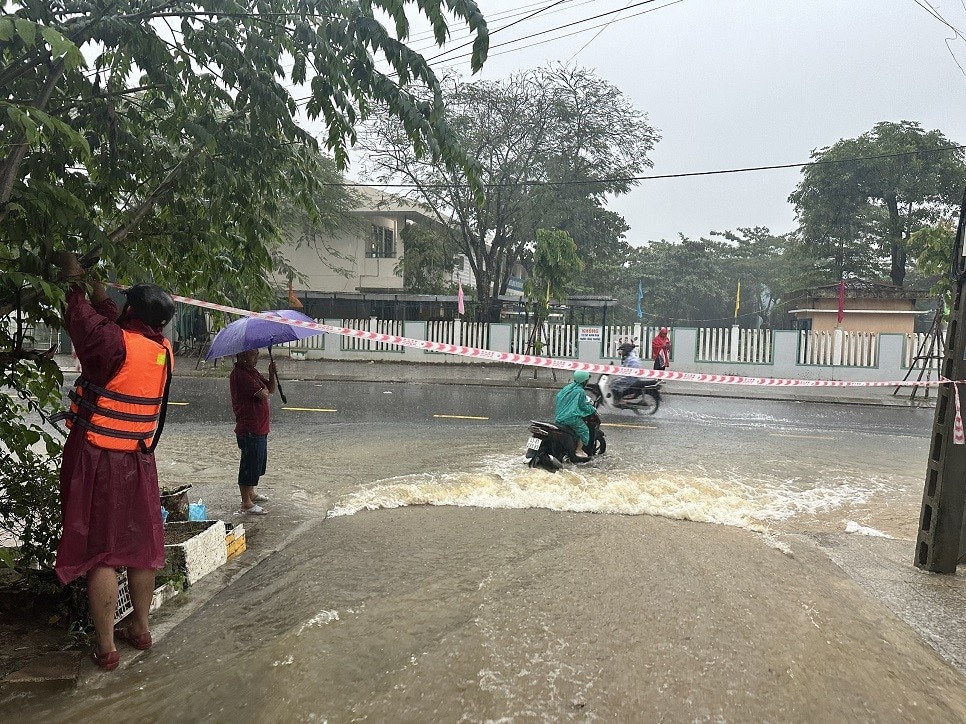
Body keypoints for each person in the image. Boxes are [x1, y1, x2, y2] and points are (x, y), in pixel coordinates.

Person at [53, 253, 175, 672]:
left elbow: (84, 321)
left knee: (101, 552)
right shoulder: (161, 350)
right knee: (140, 547)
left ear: (130, 312)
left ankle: (106, 649)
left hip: (99, 459)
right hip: (139, 460)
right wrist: (101, 290)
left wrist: (73, 280)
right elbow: (107, 324)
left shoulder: (112, 343)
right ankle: (140, 628)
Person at [230, 348, 277, 515]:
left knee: (257, 463)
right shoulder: (240, 375)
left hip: (260, 427)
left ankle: (251, 493)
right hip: (249, 428)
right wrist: (265, 389)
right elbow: (263, 394)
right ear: (241, 355)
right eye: (252, 355)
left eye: (257, 354)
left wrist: (271, 374)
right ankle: (246, 503)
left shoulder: (252, 372)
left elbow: (270, 389)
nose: (256, 358)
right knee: (249, 465)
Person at [553, 370, 597, 461]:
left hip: (559, 417)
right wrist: (592, 409)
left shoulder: (567, 388)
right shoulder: (580, 391)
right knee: (584, 430)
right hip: (571, 418)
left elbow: (558, 398)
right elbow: (583, 406)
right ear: (584, 381)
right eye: (587, 380)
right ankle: (578, 450)